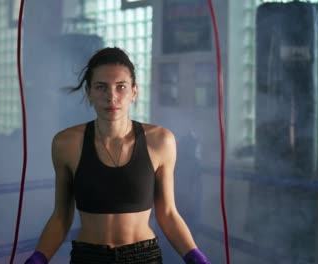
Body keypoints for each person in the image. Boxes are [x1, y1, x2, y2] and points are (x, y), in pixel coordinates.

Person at [25, 47, 210, 264]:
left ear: (134, 91)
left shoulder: (160, 141)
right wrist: (39, 257)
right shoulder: (66, 143)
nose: (111, 97)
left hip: (143, 257)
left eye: (120, 87)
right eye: (101, 87)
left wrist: (194, 255)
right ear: (89, 92)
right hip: (89, 257)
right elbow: (61, 216)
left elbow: (167, 213)